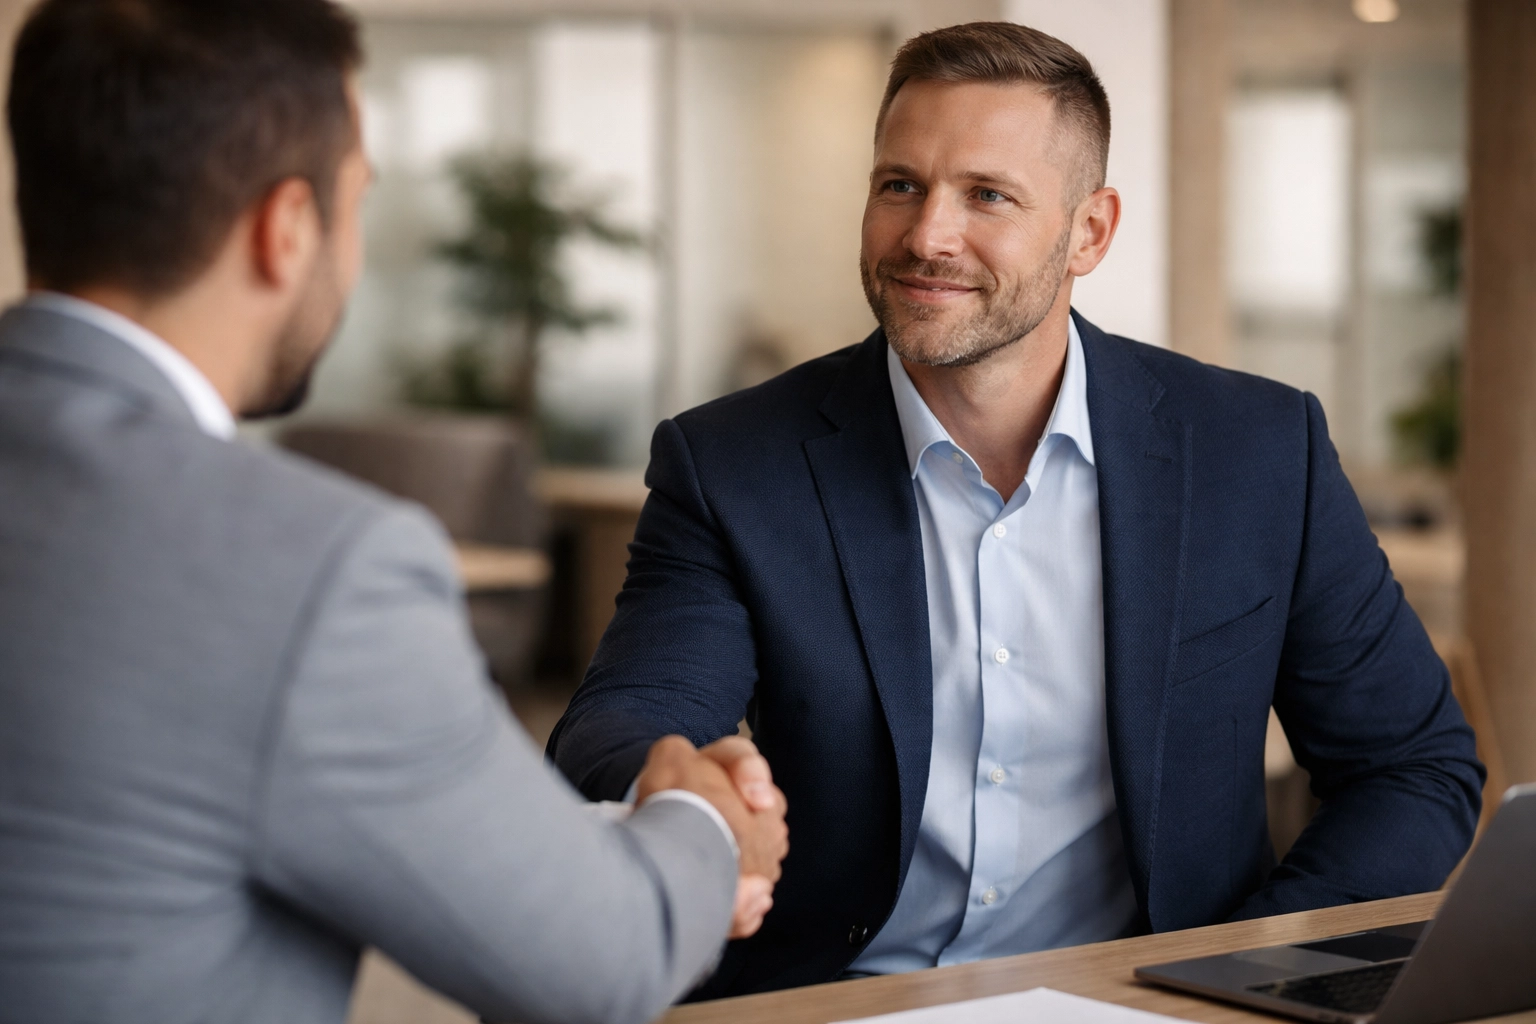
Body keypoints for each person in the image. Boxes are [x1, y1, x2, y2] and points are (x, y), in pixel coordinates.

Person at [547, 20, 1485, 1000]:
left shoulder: (1256, 451)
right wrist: (669, 778)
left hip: (1158, 1004)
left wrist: (1248, 973)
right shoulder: (734, 463)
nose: (926, 236)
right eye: (899, 185)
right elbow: (626, 716)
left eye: (986, 195)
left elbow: (1412, 766)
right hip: (840, 998)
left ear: (1090, 232)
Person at [0, 2, 788, 1022]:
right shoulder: (312, 570)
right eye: (357, 200)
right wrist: (704, 822)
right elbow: (602, 961)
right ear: (287, 230)